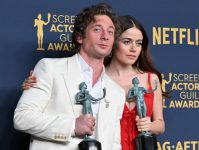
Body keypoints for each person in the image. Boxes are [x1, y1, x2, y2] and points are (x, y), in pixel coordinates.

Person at [22, 15, 166, 150]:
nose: (134, 49)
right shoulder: (100, 78)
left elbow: (160, 124)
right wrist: (34, 86)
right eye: (127, 42)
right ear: (114, 43)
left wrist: (150, 125)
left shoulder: (150, 79)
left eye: (139, 43)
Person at [14, 3, 125, 150]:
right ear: (80, 37)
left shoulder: (117, 92)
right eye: (97, 29)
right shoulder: (49, 68)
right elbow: (22, 118)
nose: (105, 37)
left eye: (110, 32)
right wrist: (72, 126)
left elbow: (114, 145)